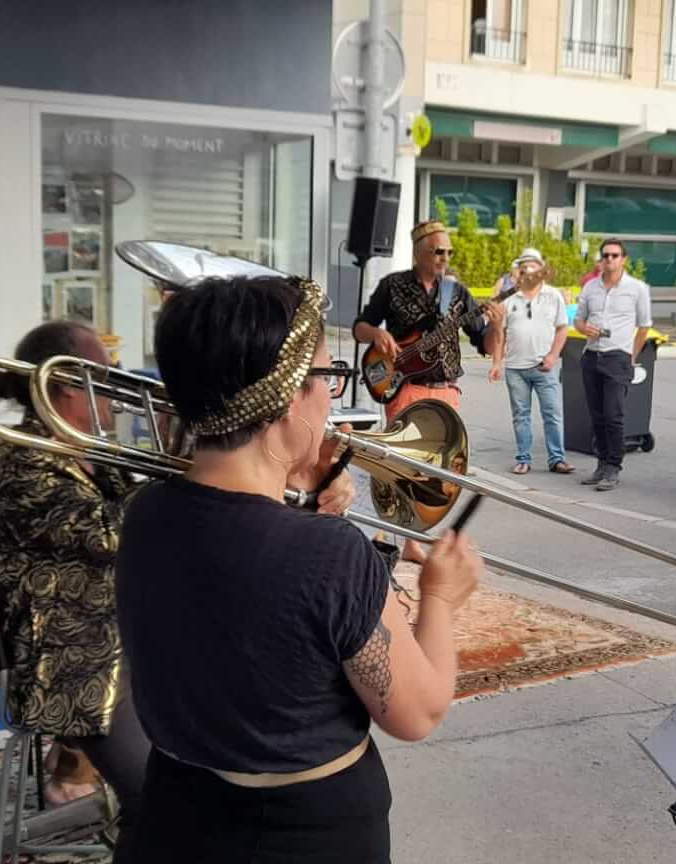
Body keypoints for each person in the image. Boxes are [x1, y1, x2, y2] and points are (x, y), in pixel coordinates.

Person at [116, 274, 480, 863]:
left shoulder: (143, 514)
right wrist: (439, 597)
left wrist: (298, 498)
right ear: (288, 397)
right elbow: (418, 711)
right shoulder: (329, 552)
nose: (334, 398)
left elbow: (241, 598)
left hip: (175, 815)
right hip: (305, 835)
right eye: (329, 377)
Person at [0, 321, 151, 815]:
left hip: (121, 637)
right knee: (159, 796)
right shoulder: (20, 460)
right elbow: (110, 534)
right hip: (72, 655)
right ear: (66, 385)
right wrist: (191, 461)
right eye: (105, 375)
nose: (116, 387)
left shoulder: (91, 451)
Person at [353, 220, 504, 420]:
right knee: (404, 452)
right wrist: (376, 333)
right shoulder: (392, 286)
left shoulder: (458, 292)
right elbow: (358, 329)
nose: (446, 258)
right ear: (418, 253)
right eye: (439, 252)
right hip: (405, 391)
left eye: (450, 253)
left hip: (446, 393)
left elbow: (489, 347)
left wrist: (497, 326)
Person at [573, 238, 653, 491]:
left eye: (615, 255)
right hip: (592, 355)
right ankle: (601, 464)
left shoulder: (637, 288)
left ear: (623, 259)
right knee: (596, 415)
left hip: (618, 357)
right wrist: (586, 328)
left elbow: (645, 325)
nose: (610, 260)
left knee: (613, 415)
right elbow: (578, 320)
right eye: (606, 255)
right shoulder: (590, 288)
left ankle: (613, 467)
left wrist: (632, 355)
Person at [488, 248, 572, 475]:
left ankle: (557, 459)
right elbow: (500, 333)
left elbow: (563, 328)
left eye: (532, 266)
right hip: (516, 368)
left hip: (544, 367)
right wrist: (497, 363)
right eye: (523, 267)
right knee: (521, 416)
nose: (527, 270)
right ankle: (523, 459)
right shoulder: (510, 299)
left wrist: (553, 355)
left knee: (552, 413)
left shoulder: (553, 296)